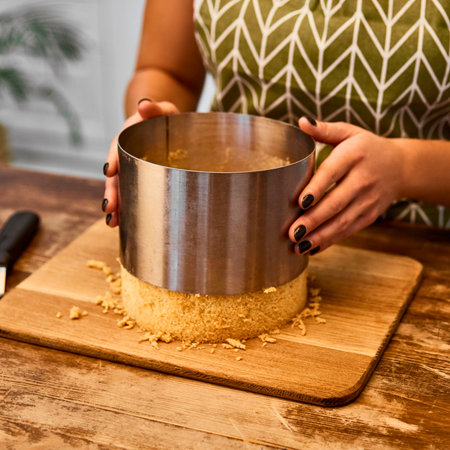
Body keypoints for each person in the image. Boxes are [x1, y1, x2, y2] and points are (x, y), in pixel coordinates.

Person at [103, 0, 450, 256]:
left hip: (411, 243)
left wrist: (404, 166)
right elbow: (166, 71)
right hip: (221, 232)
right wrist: (152, 128)